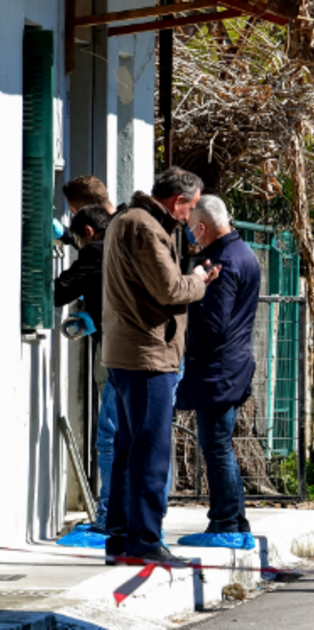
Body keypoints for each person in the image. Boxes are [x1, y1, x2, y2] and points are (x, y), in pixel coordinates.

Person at [103, 167, 219, 564]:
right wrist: (199, 279)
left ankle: (121, 537)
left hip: (128, 351)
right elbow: (169, 289)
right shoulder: (145, 227)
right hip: (148, 354)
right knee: (150, 451)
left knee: (128, 448)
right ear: (178, 200)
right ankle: (145, 540)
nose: (190, 216)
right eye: (190, 207)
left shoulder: (127, 219)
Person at [175, 196, 261, 550]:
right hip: (233, 364)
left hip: (218, 368)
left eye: (190, 228)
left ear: (201, 227)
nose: (189, 235)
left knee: (216, 447)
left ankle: (226, 522)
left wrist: (184, 347)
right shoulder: (244, 253)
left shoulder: (221, 262)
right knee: (220, 445)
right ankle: (234, 522)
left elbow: (212, 324)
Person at [54, 206, 114, 548]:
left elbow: (59, 291)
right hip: (154, 357)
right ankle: (139, 519)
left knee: (109, 438)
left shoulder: (94, 252)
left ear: (89, 232)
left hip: (119, 354)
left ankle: (108, 521)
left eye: (78, 239)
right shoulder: (127, 246)